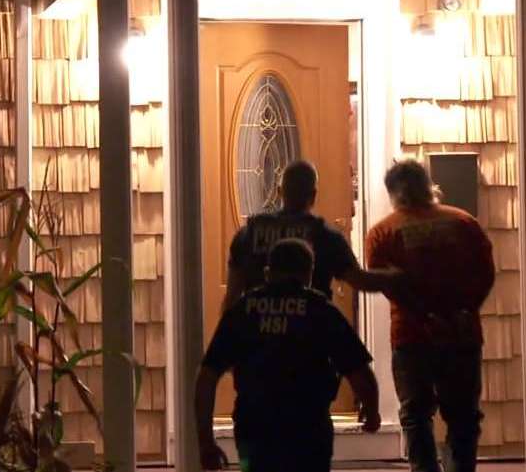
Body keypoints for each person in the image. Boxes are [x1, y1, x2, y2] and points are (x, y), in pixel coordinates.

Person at [196, 238, 381, 472]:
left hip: (254, 428)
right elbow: (359, 371)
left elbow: (207, 377)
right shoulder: (320, 310)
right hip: (308, 427)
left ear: (267, 273)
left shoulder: (243, 311)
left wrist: (205, 440)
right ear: (309, 273)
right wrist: (371, 411)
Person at [366, 159, 494, 472]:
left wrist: (424, 314)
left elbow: (387, 283)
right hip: (462, 333)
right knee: (463, 417)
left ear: (393, 192)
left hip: (412, 336)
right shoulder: (463, 222)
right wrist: (465, 310)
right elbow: (485, 273)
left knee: (416, 415)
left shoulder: (383, 232)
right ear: (428, 185)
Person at [222, 160, 400, 314]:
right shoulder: (326, 237)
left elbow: (231, 299)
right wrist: (397, 277)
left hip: (259, 335)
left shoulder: (248, 235)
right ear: (313, 195)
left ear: (279, 191)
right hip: (310, 334)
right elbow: (360, 280)